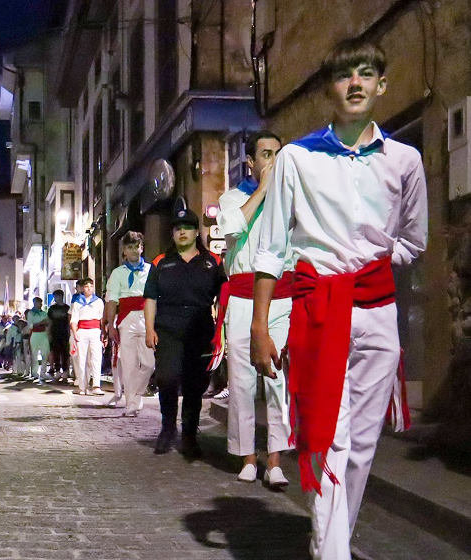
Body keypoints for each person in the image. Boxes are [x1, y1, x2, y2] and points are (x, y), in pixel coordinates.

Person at [250, 40, 426, 559]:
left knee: (363, 444)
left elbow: (414, 241)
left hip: (376, 312)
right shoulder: (296, 159)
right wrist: (261, 326)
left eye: (365, 74)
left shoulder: (405, 160)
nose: (354, 84)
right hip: (316, 310)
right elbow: (271, 248)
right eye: (345, 75)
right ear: (329, 88)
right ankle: (334, 553)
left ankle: (329, 539)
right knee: (327, 436)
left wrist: (372, 268)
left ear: (381, 85)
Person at [217, 130, 294, 488]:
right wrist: (263, 190)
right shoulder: (231, 198)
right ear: (250, 161)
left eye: (277, 154)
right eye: (266, 154)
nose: (273, 160)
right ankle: (248, 456)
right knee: (242, 380)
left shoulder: (291, 197)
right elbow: (230, 229)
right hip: (243, 297)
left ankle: (275, 459)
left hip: (280, 298)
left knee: (277, 379)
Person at [144, 207, 226, 458]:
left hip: (200, 328)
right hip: (167, 328)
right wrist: (149, 328)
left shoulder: (212, 262)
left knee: (194, 385)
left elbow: (223, 296)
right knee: (166, 379)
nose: (182, 232)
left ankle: (189, 434)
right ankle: (167, 428)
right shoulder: (161, 262)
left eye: (187, 228)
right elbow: (150, 297)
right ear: (173, 233)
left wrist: (221, 327)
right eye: (178, 228)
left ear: (195, 232)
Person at [104, 231, 156, 415]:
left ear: (142, 248)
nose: (133, 250)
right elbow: (112, 300)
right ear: (124, 251)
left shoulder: (151, 270)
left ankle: (137, 395)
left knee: (149, 363)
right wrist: (111, 324)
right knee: (129, 363)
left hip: (147, 317)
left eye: (136, 246)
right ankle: (131, 404)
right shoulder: (117, 273)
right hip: (126, 319)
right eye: (129, 247)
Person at [70, 279, 105, 395]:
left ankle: (96, 385)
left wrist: (104, 333)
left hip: (95, 331)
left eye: (91, 286)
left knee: (96, 358)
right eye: (86, 286)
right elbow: (73, 320)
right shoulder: (77, 303)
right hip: (82, 332)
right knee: (81, 359)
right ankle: (82, 386)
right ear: (82, 288)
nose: (89, 288)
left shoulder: (99, 301)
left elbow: (102, 319)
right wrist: (75, 333)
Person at [47, 290, 71, 380]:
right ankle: (57, 371)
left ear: (62, 296)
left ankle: (65, 371)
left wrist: (70, 332)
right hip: (55, 333)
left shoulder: (67, 308)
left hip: (65, 333)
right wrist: (48, 333)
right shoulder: (52, 309)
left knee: (65, 353)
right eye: (55, 296)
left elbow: (69, 321)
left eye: (58, 296)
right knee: (56, 352)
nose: (56, 298)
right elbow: (49, 321)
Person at [25, 297, 50, 382]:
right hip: (35, 334)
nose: (40, 304)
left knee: (45, 353)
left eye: (41, 303)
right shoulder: (31, 313)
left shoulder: (43, 313)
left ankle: (43, 372)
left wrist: (41, 323)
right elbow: (30, 325)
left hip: (43, 334)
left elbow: (47, 322)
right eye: (39, 303)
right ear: (35, 303)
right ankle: (35, 373)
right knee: (34, 354)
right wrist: (40, 323)